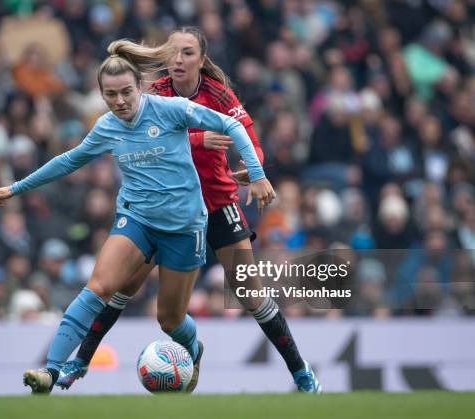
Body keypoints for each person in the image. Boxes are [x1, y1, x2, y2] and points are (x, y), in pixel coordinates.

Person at [0, 38, 274, 394]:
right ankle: (51, 370)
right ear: (102, 95)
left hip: (185, 227)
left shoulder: (171, 109)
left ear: (139, 87)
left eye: (125, 92)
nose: (120, 101)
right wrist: (15, 188)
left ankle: (193, 347)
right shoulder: (107, 127)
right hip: (137, 221)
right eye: (111, 95)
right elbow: (67, 161)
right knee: (98, 287)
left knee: (170, 320)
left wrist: (258, 175)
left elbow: (231, 127)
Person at [57, 27, 321, 394]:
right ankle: (80, 362)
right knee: (124, 284)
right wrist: (198, 137)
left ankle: (301, 373)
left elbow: (250, 138)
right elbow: (145, 137)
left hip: (216, 203)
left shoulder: (218, 94)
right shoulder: (154, 94)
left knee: (249, 291)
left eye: (187, 53)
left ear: (201, 59)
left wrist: (253, 168)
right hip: (167, 210)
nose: (178, 60)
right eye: (173, 53)